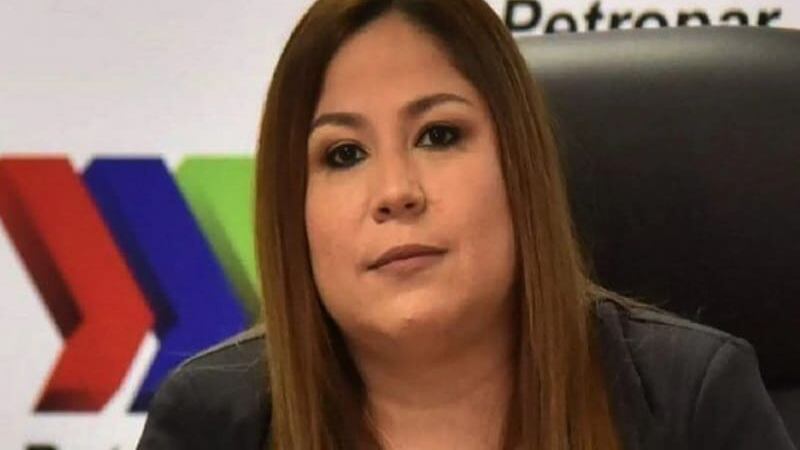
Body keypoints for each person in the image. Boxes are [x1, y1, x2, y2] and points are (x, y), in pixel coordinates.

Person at [136, 0, 796, 449]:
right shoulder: (212, 421)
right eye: (344, 154)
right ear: (293, 210)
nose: (395, 192)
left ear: (519, 167)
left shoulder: (689, 401)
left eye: (439, 135)